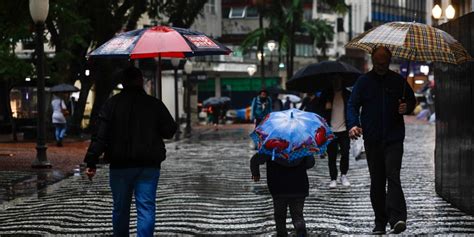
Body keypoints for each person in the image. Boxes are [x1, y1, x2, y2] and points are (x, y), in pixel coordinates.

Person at [84, 66, 177, 236]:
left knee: (120, 209)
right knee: (146, 208)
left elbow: (100, 136)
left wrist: (91, 161)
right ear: (140, 80)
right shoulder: (154, 104)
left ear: (123, 83)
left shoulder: (111, 104)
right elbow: (170, 130)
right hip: (148, 165)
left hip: (120, 165)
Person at [347, 46, 416, 235]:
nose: (380, 66)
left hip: (394, 138)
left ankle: (397, 219)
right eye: (377, 62)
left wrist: (406, 107)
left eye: (384, 62)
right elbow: (352, 105)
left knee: (393, 176)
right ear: (372, 60)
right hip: (372, 139)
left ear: (389, 60)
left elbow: (411, 101)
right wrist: (353, 124)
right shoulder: (363, 82)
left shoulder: (398, 81)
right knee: (377, 181)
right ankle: (380, 221)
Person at [251, 153, 315, 236]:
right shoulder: (301, 147)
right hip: (299, 186)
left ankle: (282, 234)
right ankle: (301, 233)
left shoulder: (271, 147)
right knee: (297, 215)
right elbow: (310, 163)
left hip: (278, 187)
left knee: (280, 216)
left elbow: (254, 160)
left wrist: (256, 173)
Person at [316, 76, 352, 189]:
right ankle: (333, 178)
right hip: (330, 130)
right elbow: (318, 109)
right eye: (334, 80)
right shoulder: (326, 94)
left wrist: (354, 125)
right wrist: (325, 108)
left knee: (345, 153)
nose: (336, 82)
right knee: (332, 156)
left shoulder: (347, 94)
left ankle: (344, 175)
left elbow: (352, 109)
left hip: (344, 130)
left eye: (338, 80)